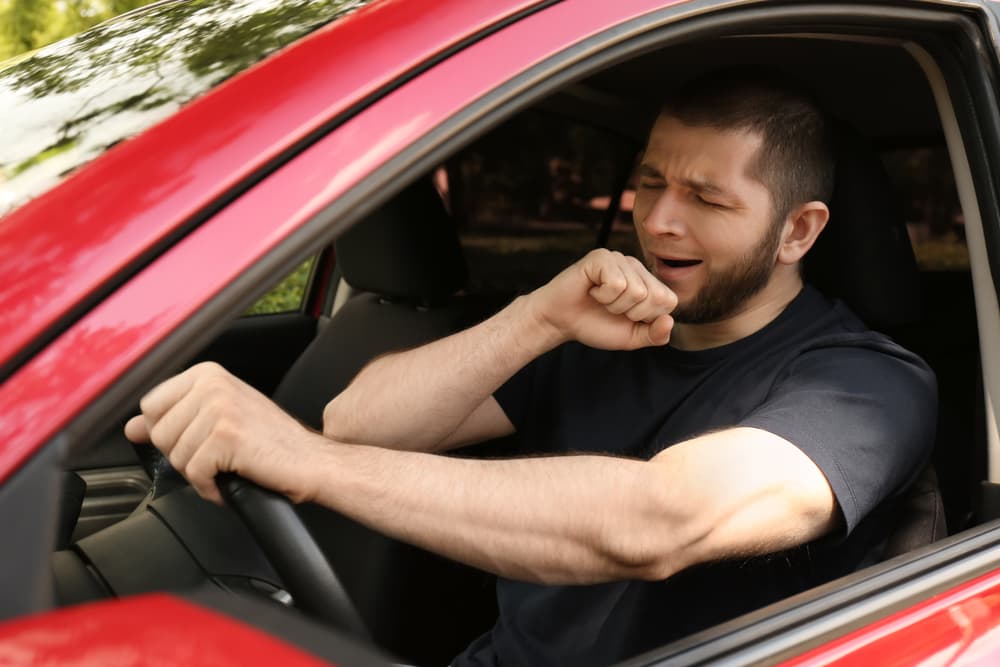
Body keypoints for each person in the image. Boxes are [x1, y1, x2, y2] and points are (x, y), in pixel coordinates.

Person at [125, 71, 937, 666]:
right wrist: (535, 318)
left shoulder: (868, 386)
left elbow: (662, 520)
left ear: (798, 231)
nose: (657, 220)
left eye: (707, 199)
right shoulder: (597, 332)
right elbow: (358, 421)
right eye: (650, 181)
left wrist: (304, 462)